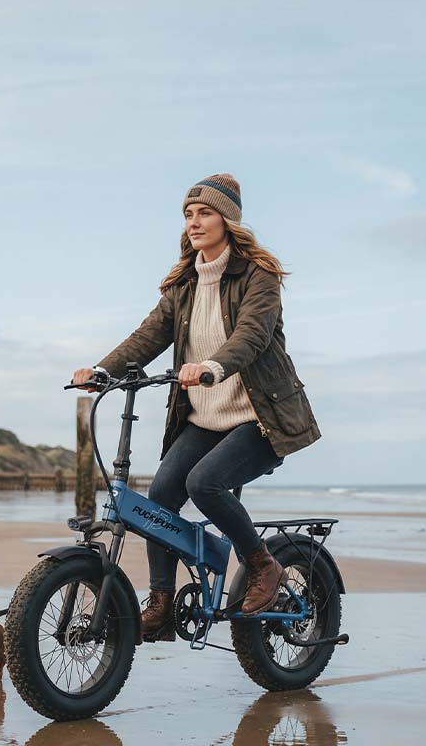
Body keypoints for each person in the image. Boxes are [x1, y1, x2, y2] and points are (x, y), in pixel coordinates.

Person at [72, 174, 321, 641]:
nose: (194, 222)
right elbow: (147, 336)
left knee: (204, 482)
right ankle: (162, 603)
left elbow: (253, 335)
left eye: (204, 212)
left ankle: (261, 565)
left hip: (260, 417)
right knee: (160, 497)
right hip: (206, 418)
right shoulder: (185, 284)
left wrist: (211, 364)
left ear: (227, 219)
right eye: (188, 214)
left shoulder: (258, 275)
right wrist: (102, 370)